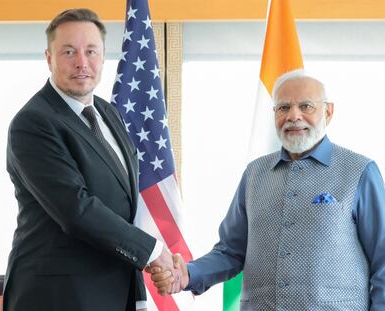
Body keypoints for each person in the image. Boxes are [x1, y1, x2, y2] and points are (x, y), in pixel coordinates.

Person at [149, 70, 385, 310]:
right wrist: (189, 274)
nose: (294, 116)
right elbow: (230, 251)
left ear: (328, 111)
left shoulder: (360, 171)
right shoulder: (254, 174)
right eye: (283, 108)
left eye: (306, 106)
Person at [3, 8, 178, 311]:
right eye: (68, 51)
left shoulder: (109, 114)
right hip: (57, 297)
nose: (81, 62)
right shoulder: (33, 123)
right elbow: (76, 209)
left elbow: (124, 204)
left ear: (103, 57)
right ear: (49, 58)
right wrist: (151, 252)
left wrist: (155, 258)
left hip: (113, 289)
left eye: (91, 51)